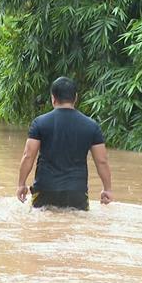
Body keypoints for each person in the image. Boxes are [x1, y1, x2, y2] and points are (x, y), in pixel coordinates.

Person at [16, 76, 113, 210]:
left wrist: (21, 184)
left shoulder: (39, 123)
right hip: (77, 192)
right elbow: (102, 161)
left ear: (53, 98)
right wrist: (107, 189)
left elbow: (28, 156)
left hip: (45, 190)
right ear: (75, 98)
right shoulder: (91, 126)